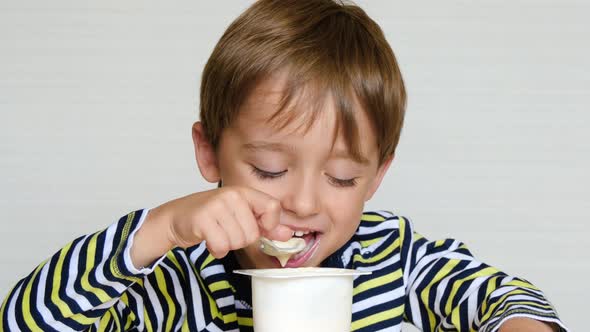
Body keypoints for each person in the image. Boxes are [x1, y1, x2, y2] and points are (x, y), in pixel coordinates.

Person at [1, 0, 567, 331]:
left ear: (377, 175)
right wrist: (162, 229)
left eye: (342, 178)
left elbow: (506, 298)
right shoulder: (176, 282)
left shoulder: (402, 259)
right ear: (209, 152)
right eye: (270, 170)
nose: (301, 203)